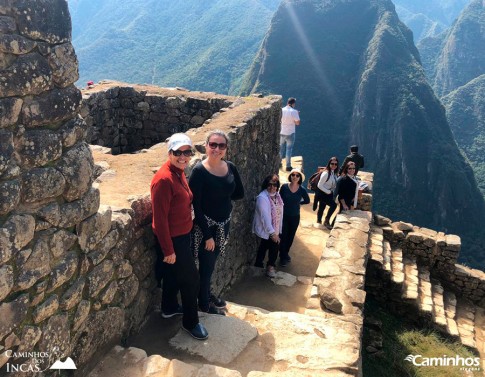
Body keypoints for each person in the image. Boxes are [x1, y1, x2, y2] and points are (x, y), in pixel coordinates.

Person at [151, 133, 208, 340]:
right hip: (174, 240)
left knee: (173, 275)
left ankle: (169, 307)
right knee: (192, 279)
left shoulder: (178, 172)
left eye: (187, 152)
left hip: (182, 235)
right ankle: (191, 323)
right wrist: (169, 250)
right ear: (169, 153)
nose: (183, 156)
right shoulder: (164, 180)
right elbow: (159, 219)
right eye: (178, 152)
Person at [189, 130, 244, 315]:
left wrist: (222, 202)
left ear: (226, 149)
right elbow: (195, 206)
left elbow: (239, 193)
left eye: (221, 145)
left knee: (211, 265)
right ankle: (204, 304)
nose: (216, 149)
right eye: (213, 144)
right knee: (206, 267)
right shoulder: (199, 172)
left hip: (223, 225)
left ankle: (206, 295)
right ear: (206, 146)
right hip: (207, 228)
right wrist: (207, 236)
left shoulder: (230, 167)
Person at [253, 174, 284, 278]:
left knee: (264, 245)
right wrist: (273, 233)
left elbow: (280, 213)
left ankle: (258, 265)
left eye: (274, 185)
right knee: (275, 246)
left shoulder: (277, 196)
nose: (272, 187)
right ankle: (270, 267)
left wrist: (278, 229)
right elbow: (265, 217)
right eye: (269, 185)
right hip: (268, 228)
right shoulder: (262, 198)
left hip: (274, 227)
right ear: (266, 185)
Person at [279, 168, 310, 266]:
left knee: (290, 237)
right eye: (293, 175)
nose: (295, 177)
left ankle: (285, 253)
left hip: (295, 217)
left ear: (300, 177)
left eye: (297, 175)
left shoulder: (302, 190)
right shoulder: (284, 187)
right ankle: (282, 257)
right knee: (283, 236)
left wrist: (298, 203)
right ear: (290, 176)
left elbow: (307, 200)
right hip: (284, 216)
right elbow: (279, 199)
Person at [316, 157, 339, 229]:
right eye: (332, 164)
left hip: (328, 194)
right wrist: (328, 191)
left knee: (322, 207)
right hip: (323, 194)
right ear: (329, 164)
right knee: (333, 205)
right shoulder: (326, 173)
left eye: (336, 164)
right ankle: (326, 220)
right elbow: (319, 185)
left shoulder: (334, 173)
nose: (334, 165)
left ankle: (319, 221)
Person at [280, 97, 301, 172]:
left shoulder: (282, 110)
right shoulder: (294, 111)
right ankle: (288, 166)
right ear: (293, 103)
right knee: (288, 150)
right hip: (290, 133)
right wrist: (297, 114)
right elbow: (298, 123)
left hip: (282, 132)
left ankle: (279, 163)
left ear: (287, 103)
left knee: (281, 148)